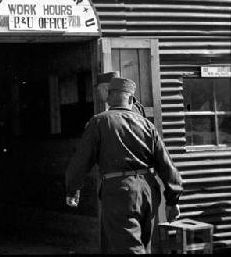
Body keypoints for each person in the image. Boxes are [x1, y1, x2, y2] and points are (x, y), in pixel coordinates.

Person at [65, 77, 183, 254]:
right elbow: (167, 165)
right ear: (130, 99)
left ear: (109, 97)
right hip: (148, 192)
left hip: (120, 192)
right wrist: (173, 200)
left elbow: (81, 161)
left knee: (128, 249)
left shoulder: (99, 122)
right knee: (143, 245)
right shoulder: (147, 125)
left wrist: (72, 189)